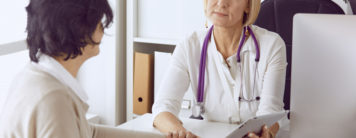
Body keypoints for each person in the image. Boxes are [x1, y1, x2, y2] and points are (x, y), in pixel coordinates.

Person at [0, 0, 163, 137]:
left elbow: (88, 131)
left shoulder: (36, 75)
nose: (102, 28)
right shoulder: (54, 99)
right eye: (98, 22)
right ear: (78, 29)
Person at [152, 0, 288, 137]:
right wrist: (179, 132)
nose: (221, 3)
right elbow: (162, 107)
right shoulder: (189, 46)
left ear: (248, 5)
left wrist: (265, 133)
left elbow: (270, 113)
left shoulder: (271, 46)